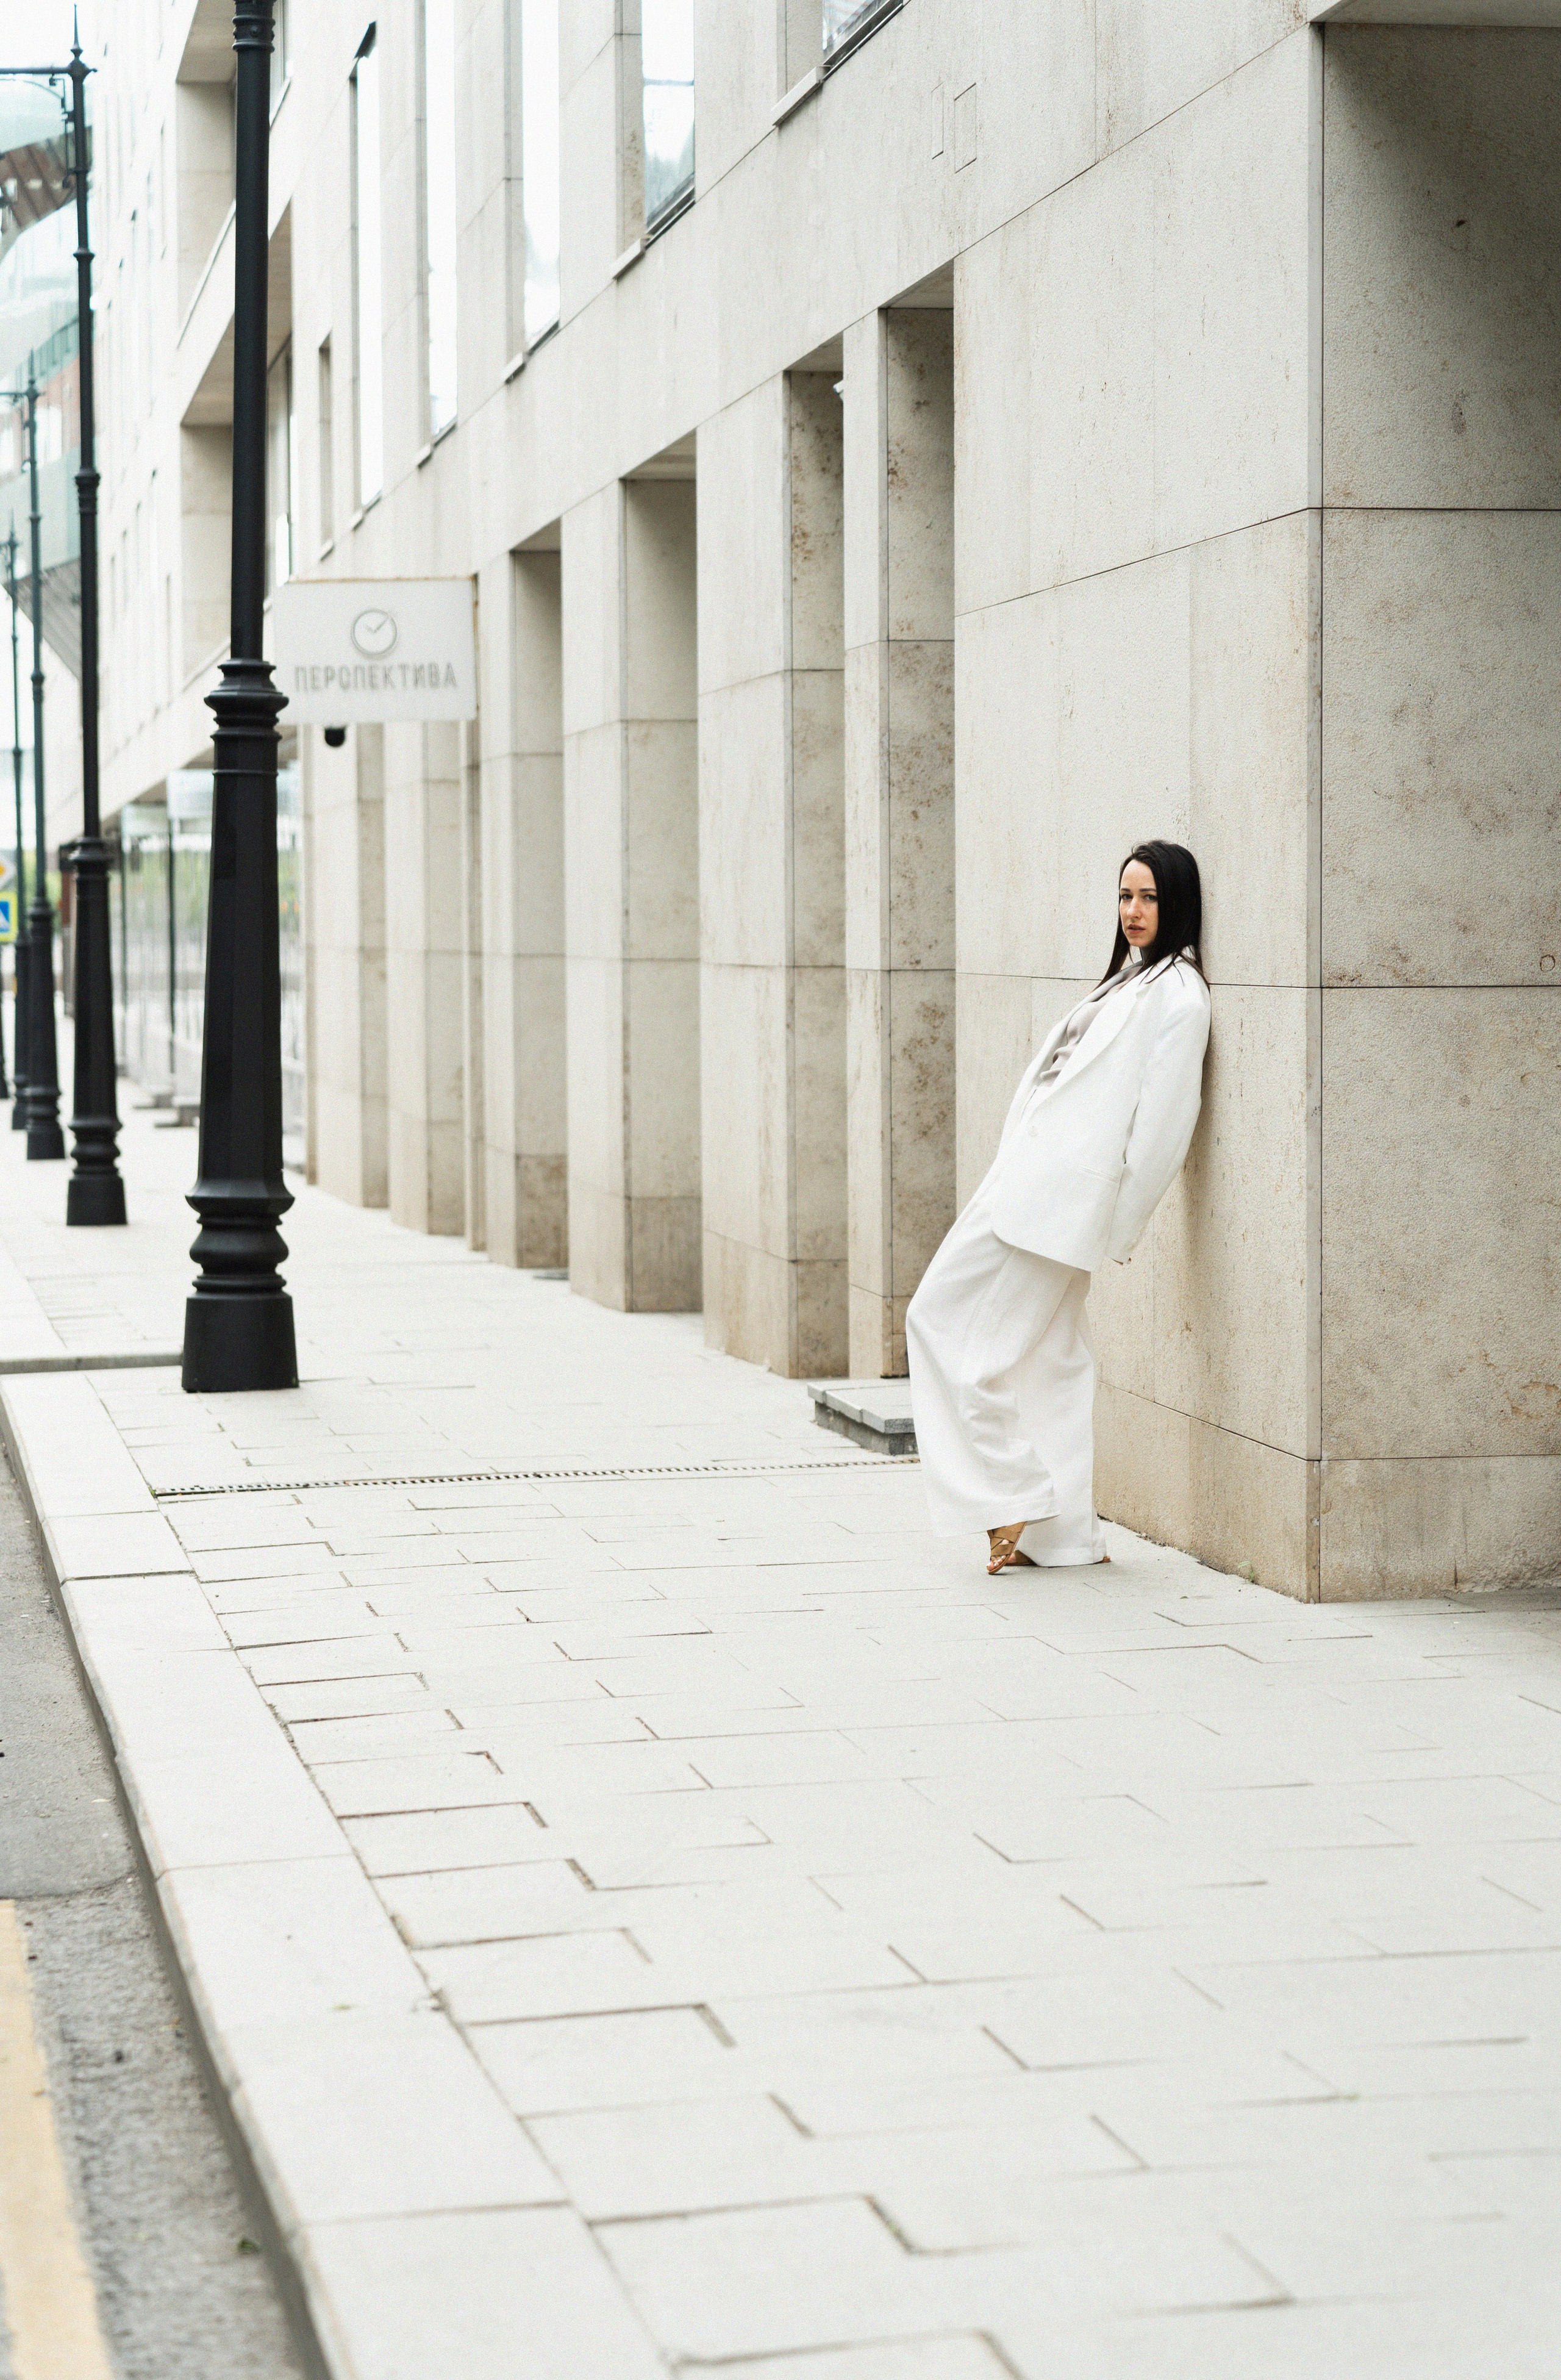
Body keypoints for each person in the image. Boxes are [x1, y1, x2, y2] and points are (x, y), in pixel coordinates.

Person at [907, 841, 1211, 1575]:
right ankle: (1066, 1533)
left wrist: (1116, 1225)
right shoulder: (1125, 982)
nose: (1132, 912)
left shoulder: (1180, 995)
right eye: (1124, 896)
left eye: (1148, 898)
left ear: (1177, 904)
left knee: (942, 1322)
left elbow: (1166, 1125)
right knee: (1051, 1363)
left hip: (1060, 1204)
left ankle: (1010, 1492)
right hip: (1023, 1186)